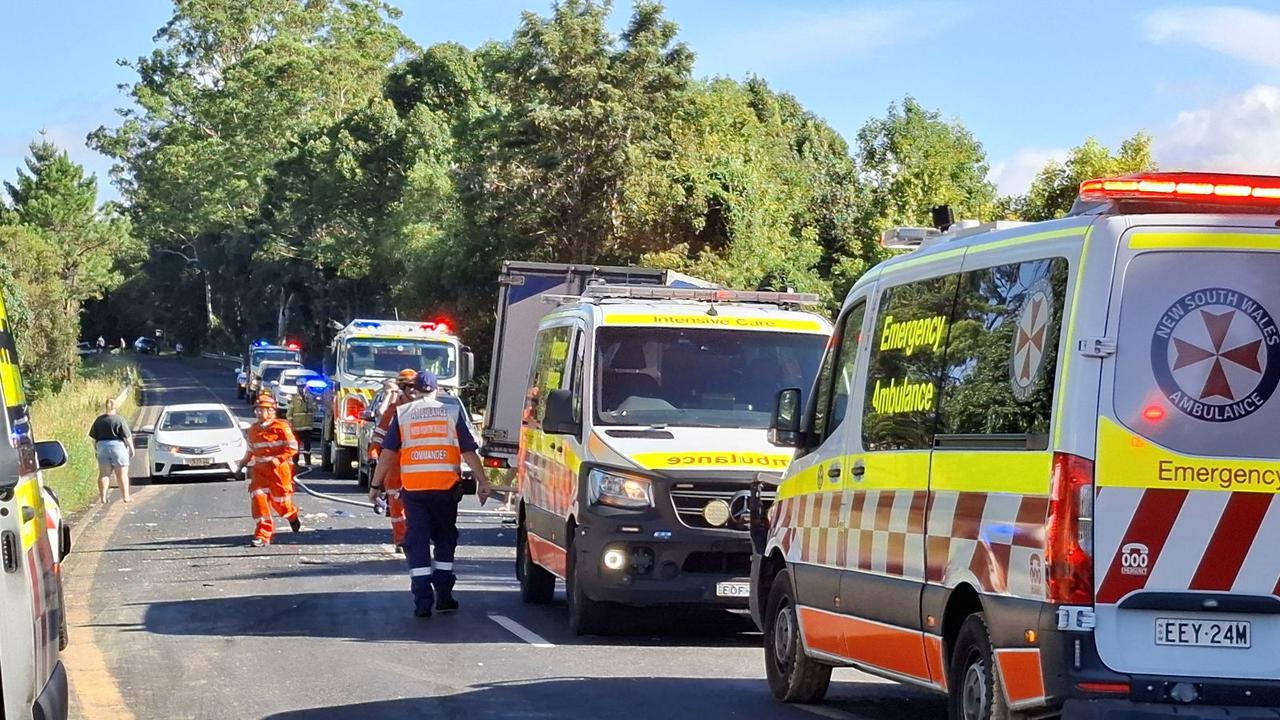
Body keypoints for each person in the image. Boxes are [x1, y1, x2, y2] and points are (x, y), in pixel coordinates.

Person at [370, 371, 492, 617]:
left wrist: (375, 486)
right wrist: (483, 482)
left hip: (415, 491)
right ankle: (444, 595)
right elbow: (469, 452)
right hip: (445, 489)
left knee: (417, 542)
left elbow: (387, 455)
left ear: (414, 389)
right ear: (436, 390)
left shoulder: (402, 415)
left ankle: (422, 601)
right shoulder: (451, 413)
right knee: (445, 539)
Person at [240, 394, 301, 547]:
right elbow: (251, 450)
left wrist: (278, 459)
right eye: (258, 410)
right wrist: (242, 464)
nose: (259, 413)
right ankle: (263, 535)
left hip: (279, 472)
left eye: (263, 410)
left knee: (281, 505)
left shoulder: (281, 427)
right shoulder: (253, 430)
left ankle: (292, 516)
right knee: (259, 500)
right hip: (260, 473)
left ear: (272, 411)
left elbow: (292, 448)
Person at [368, 369, 419, 551]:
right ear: (403, 388)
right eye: (410, 387)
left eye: (416, 387)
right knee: (397, 508)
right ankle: (401, 541)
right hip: (395, 467)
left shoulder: (425, 410)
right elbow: (378, 437)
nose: (414, 391)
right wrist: (374, 456)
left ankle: (415, 538)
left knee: (416, 508)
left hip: (418, 467)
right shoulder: (393, 411)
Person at [88, 398, 134, 504]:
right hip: (118, 447)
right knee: (122, 474)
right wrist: (131, 449)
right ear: (116, 407)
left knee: (104, 474)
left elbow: (94, 439)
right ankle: (126, 497)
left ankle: (103, 497)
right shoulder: (119, 420)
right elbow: (127, 437)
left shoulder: (99, 420)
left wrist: (96, 449)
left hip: (102, 447)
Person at [286, 377, 314, 466]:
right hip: (297, 427)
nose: (301, 388)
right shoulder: (294, 399)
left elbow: (315, 409)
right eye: (299, 386)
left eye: (303, 386)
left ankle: (308, 461)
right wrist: (290, 424)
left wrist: (309, 401)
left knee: (307, 446)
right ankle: (295, 461)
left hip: (307, 426)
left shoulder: (310, 397)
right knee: (296, 445)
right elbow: (289, 413)